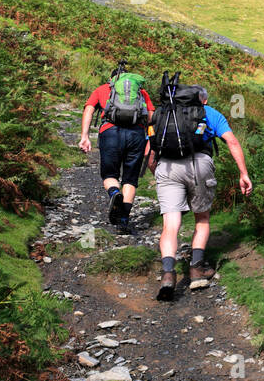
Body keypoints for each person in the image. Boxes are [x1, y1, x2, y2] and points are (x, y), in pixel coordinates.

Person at [147, 80, 252, 301]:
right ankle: (196, 270)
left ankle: (167, 274)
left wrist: (155, 171)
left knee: (170, 224)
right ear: (201, 99)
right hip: (200, 165)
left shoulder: (164, 112)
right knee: (202, 218)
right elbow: (231, 142)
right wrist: (243, 173)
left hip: (167, 166)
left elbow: (151, 147)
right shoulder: (209, 112)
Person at [79, 63, 153, 235]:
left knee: (110, 175)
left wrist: (85, 136)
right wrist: (150, 141)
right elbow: (151, 117)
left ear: (111, 79)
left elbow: (89, 110)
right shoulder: (141, 92)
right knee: (130, 178)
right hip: (136, 134)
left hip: (110, 132)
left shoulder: (102, 89)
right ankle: (124, 219)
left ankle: (114, 193)